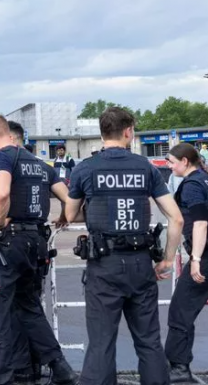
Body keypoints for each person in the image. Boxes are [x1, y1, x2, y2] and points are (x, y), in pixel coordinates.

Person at [64, 107, 182, 385]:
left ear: (102, 132)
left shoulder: (85, 168)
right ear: (128, 131)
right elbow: (175, 218)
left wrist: (97, 208)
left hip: (103, 267)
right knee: (149, 341)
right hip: (141, 263)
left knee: (101, 343)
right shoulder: (146, 168)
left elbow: (70, 215)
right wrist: (167, 259)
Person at [0, 113, 78, 385]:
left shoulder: (2, 156)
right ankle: (60, 368)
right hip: (36, 242)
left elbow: (2, 193)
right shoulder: (40, 164)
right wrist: (65, 218)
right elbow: (70, 202)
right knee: (29, 306)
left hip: (7, 242)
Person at [164, 143, 208, 382]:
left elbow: (201, 223)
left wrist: (196, 259)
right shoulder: (204, 179)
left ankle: (178, 372)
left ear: (185, 162)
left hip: (204, 256)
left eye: (171, 161)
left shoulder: (192, 186)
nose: (168, 165)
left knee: (180, 312)